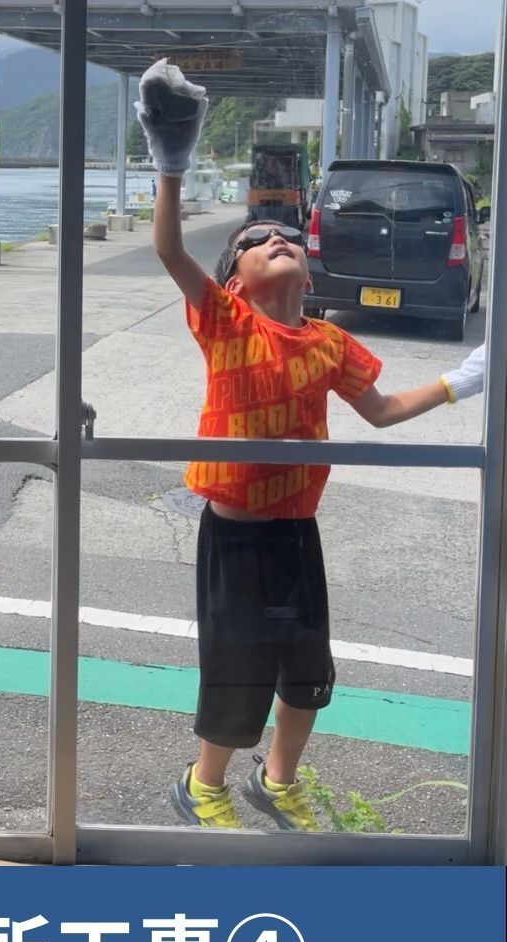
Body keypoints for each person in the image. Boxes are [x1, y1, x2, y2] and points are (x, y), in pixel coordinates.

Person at [136, 59, 486, 831]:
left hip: (297, 531)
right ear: (234, 282)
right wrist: (171, 161)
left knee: (307, 669)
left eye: (288, 236)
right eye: (257, 240)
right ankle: (203, 785)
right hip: (235, 535)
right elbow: (169, 251)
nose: (278, 239)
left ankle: (278, 779)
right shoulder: (227, 322)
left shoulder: (329, 342)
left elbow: (382, 410)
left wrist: (463, 380)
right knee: (237, 669)